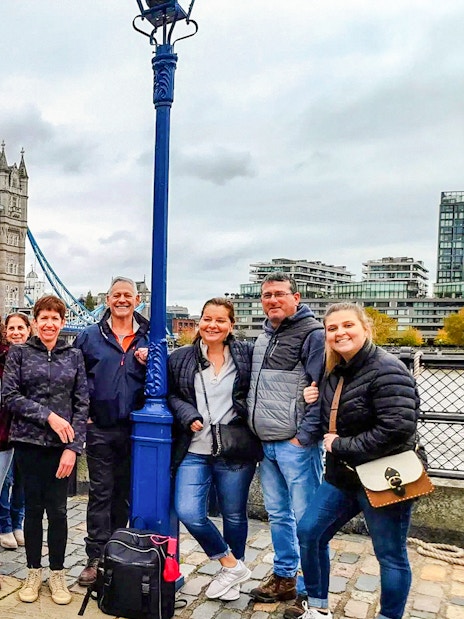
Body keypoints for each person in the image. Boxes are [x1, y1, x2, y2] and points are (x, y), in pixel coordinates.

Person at [297, 302, 423, 619]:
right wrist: (311, 399)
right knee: (310, 532)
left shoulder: (389, 369)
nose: (340, 332)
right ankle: (318, 607)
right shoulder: (334, 371)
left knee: (390, 554)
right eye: (332, 328)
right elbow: (330, 421)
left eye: (347, 325)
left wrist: (341, 445)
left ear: (365, 329)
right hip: (343, 476)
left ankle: (389, 616)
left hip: (385, 475)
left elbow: (397, 428)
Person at [246, 272, 325, 618]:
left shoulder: (313, 334)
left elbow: (323, 390)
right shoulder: (264, 335)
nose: (272, 300)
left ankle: (311, 591)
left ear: (296, 296)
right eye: (266, 296)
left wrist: (302, 437)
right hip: (267, 443)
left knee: (309, 521)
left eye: (279, 294)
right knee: (278, 515)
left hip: (296, 445)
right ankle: (284, 576)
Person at [168, 298, 257, 602]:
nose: (212, 325)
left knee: (234, 515)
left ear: (231, 325)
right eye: (207, 319)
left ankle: (231, 582)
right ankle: (230, 564)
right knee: (189, 512)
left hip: (234, 447)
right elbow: (170, 395)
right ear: (199, 322)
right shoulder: (181, 357)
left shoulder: (246, 355)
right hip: (194, 448)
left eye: (220, 320)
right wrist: (186, 415)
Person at [2, 296, 89, 605]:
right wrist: (49, 417)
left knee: (59, 511)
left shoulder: (74, 356)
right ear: (35, 323)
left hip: (60, 450)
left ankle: (57, 574)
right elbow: (9, 396)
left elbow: (82, 404)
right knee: (33, 511)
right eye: (44, 318)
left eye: (55, 318)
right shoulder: (19, 353)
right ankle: (33, 571)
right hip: (28, 443)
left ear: (62, 322)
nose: (50, 323)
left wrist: (73, 447)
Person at [75, 276, 149, 587]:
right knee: (101, 493)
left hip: (134, 429)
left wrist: (149, 363)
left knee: (124, 494)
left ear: (136, 300)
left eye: (127, 295)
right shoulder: (89, 336)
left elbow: (164, 381)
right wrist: (85, 416)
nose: (122, 300)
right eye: (116, 295)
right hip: (100, 428)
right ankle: (95, 557)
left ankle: (117, 551)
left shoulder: (150, 336)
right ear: (107, 300)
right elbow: (75, 379)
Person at [0, 313, 31, 551]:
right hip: (5, 429)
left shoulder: (35, 357)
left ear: (29, 330)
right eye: (12, 328)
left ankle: (18, 521)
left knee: (22, 478)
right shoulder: (3, 357)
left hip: (29, 429)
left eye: (21, 327)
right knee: (5, 479)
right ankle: (4, 526)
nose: (16, 332)